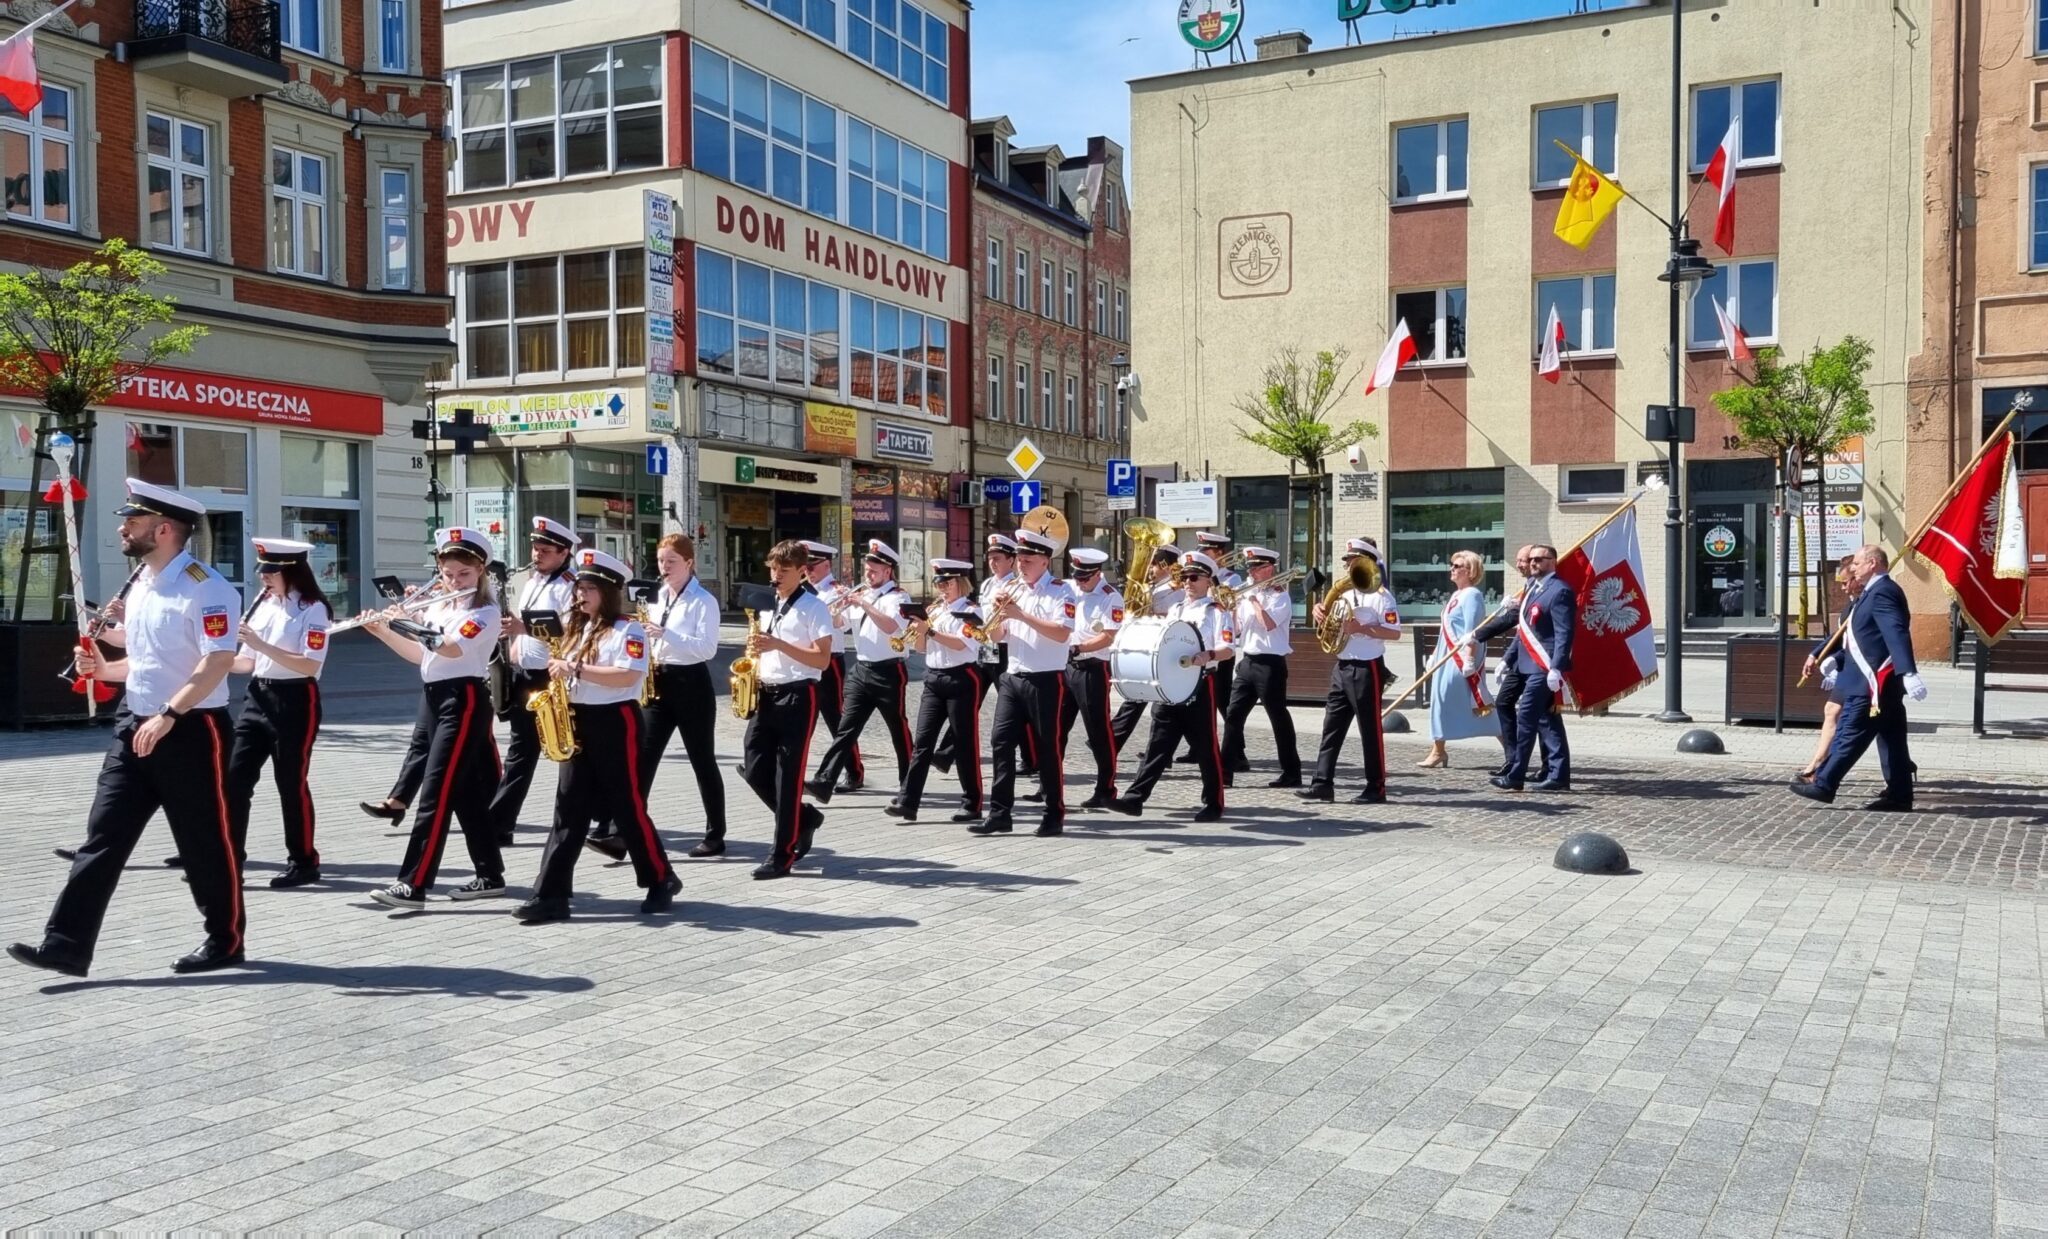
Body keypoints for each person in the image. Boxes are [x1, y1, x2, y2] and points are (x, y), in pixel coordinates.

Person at [9, 480, 247, 977]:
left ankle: (224, 940)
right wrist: (99, 668)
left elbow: (218, 660)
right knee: (103, 837)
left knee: (203, 841)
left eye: (132, 521)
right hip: (133, 724)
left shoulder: (207, 587)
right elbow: (142, 661)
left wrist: (170, 715)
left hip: (191, 729)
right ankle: (66, 946)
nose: (123, 527)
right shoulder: (140, 582)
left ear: (163, 530)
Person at [515, 549, 681, 923]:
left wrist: (574, 666)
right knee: (567, 809)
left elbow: (626, 676)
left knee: (627, 806)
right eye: (579, 589)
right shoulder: (575, 626)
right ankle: (550, 895)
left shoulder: (629, 628)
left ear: (607, 591)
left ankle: (660, 878)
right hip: (577, 720)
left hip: (615, 721)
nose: (580, 595)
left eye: (588, 589)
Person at [357, 528, 508, 906]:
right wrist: (381, 631)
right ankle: (490, 874)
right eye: (448, 573)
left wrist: (406, 622)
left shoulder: (485, 612)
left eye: (464, 575)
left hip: (465, 700)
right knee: (466, 795)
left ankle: (413, 883)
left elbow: (453, 649)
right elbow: (421, 656)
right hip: (433, 698)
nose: (455, 581)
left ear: (481, 573)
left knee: (436, 793)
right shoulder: (440, 608)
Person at [589, 533, 727, 861]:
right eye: (661, 561)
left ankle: (715, 835)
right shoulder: (656, 596)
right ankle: (624, 833)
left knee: (702, 761)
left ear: (689, 563)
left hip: (691, 683)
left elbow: (707, 648)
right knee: (641, 760)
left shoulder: (702, 600)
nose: (664, 567)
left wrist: (667, 634)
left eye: (672, 562)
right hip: (658, 682)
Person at [225, 537, 332, 887]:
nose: (264, 579)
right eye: (263, 572)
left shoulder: (314, 608)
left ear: (292, 571)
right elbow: (247, 662)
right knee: (234, 780)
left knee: (291, 783)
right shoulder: (264, 605)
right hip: (258, 697)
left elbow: (309, 664)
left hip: (295, 700)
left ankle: (303, 861)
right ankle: (230, 859)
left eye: (271, 573)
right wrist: (216, 656)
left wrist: (260, 643)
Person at [1792, 545, 1923, 810]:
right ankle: (1900, 794)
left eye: (1858, 564)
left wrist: (1908, 671)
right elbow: (1858, 635)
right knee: (1892, 739)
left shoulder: (1883, 591)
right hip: (1877, 683)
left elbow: (1895, 632)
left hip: (1872, 684)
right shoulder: (1871, 593)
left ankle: (1824, 784)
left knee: (1850, 733)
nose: (1854, 569)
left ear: (1873, 563)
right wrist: (1832, 659)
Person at [1109, 551, 1233, 822]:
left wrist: (1208, 655)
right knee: (1157, 744)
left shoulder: (1216, 611)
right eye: (1185, 577)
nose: (1187, 582)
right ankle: (1134, 798)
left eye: (1194, 577)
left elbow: (1228, 649)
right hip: (1169, 684)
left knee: (1205, 747)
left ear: (1208, 581)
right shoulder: (1176, 609)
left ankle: (1213, 802)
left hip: (1199, 685)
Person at [741, 540, 838, 878]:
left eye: (784, 570)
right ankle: (805, 817)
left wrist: (779, 644)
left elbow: (822, 659)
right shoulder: (768, 605)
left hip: (799, 696)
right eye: (773, 568)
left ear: (801, 571)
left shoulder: (815, 607)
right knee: (753, 769)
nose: (776, 575)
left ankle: (781, 855)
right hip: (765, 695)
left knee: (787, 779)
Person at [972, 528, 1074, 838]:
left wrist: (1021, 614)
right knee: (1000, 743)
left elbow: (1061, 633)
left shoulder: (1060, 591)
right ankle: (1000, 813)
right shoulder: (1013, 589)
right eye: (1019, 559)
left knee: (1047, 748)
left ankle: (1054, 813)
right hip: (1012, 676)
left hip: (1045, 679)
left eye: (1027, 560)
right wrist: (997, 616)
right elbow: (996, 636)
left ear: (1045, 561)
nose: (1021, 565)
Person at [488, 517, 579, 847]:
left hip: (551, 678)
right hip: (526, 675)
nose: (536, 554)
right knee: (520, 751)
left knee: (563, 751)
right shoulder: (532, 580)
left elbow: (570, 632)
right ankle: (500, 823)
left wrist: (522, 631)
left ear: (563, 552)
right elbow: (524, 622)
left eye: (544, 550)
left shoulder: (571, 585)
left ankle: (594, 819)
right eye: (534, 548)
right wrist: (514, 647)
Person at [1300, 539, 1403, 804]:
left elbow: (1394, 632)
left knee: (1370, 730)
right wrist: (1320, 612)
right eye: (1346, 561)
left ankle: (1376, 787)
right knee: (1331, 727)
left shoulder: (1382, 596)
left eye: (1351, 561)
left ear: (1367, 561)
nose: (1346, 565)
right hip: (1343, 665)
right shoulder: (1345, 594)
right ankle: (1322, 783)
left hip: (1367, 666)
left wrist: (1361, 629)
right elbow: (1331, 629)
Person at [807, 539, 912, 802]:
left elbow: (891, 627)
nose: (868, 573)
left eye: (874, 569)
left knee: (897, 729)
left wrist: (863, 604)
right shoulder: (863, 594)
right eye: (867, 569)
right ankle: (824, 781)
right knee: (846, 728)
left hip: (889, 672)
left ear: (888, 571)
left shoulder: (898, 597)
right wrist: (833, 608)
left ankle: (909, 783)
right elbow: (839, 624)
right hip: (862, 670)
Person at [1466, 542, 1575, 792]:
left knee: (1527, 716)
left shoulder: (1559, 591)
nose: (1534, 563)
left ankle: (1516, 775)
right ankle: (1557, 775)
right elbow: (1524, 632)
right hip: (1529, 665)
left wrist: (1557, 667)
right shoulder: (1534, 589)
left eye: (1540, 559)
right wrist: (1507, 659)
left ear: (1553, 561)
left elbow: (1564, 633)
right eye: (1532, 559)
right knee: (1548, 719)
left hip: (1544, 667)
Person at [887, 559, 986, 823]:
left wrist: (929, 630)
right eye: (939, 583)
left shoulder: (971, 611)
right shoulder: (934, 609)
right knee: (923, 743)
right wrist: (918, 628)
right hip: (934, 678)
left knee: (965, 744)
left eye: (947, 582)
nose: (942, 587)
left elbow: (962, 645)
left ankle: (972, 803)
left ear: (961, 583)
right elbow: (920, 648)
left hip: (961, 678)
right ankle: (908, 801)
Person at [1221, 546, 1301, 788]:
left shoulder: (1280, 595)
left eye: (1257, 567)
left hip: (1270, 664)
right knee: (1233, 716)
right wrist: (1232, 608)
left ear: (1270, 568)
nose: (1252, 572)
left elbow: (1267, 623)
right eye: (1250, 568)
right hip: (1247, 661)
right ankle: (1224, 773)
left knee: (1278, 718)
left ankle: (1291, 772)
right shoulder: (1245, 595)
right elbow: (1236, 630)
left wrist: (1253, 599)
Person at [1058, 546, 1124, 809]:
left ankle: (1105, 788)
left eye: (1084, 577)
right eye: (1076, 576)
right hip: (1067, 667)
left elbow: (1108, 635)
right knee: (1056, 728)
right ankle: (1048, 784)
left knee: (1098, 731)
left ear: (1097, 574)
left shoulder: (1110, 597)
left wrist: (1078, 647)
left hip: (1092, 667)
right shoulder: (1072, 589)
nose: (1079, 582)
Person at [1421, 550, 1499, 769]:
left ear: (1470, 571)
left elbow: (1472, 630)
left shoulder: (1472, 595)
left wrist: (1470, 660)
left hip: (1461, 658)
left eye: (1457, 566)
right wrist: (1435, 656)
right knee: (1440, 700)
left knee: (1473, 699)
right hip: (1445, 657)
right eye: (1452, 565)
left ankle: (1509, 743)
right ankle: (1438, 751)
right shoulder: (1455, 595)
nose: (1452, 569)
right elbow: (1446, 630)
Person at [801, 541, 864, 794]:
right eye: (806, 566)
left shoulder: (838, 591)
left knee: (836, 718)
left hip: (830, 661)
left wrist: (831, 614)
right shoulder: (801, 590)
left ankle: (854, 771)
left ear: (826, 564)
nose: (808, 571)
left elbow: (844, 625)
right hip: (805, 658)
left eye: (813, 566)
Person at [1111, 544, 1184, 751]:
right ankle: (1113, 740)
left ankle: (1114, 741)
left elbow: (1172, 621)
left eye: (1154, 564)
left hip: (1163, 650)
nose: (1150, 568)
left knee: (1155, 704)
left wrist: (1148, 612)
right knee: (1138, 697)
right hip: (1149, 647)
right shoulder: (1154, 586)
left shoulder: (1176, 590)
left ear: (1166, 565)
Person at [1184, 532, 1242, 769]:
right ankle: (1197, 748)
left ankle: (1236, 751)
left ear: (1219, 553)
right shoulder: (1192, 578)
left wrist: (1215, 584)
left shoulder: (1232, 578)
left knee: (1222, 700)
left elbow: (1230, 610)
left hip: (1219, 648)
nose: (1201, 555)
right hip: (1199, 650)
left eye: (1206, 552)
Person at [1796, 560, 1857, 784]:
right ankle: (1818, 763)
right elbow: (1837, 637)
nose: (1841, 587)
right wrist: (1816, 655)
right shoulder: (1851, 606)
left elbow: (1860, 644)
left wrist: (1835, 661)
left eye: (1844, 582)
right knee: (1831, 710)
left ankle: (1900, 770)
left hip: (1865, 674)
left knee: (1881, 729)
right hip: (1849, 669)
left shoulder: (1865, 603)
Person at [1488, 545, 1541, 779]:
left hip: (1538, 661)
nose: (1519, 564)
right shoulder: (1529, 587)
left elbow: (1517, 623)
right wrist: (1508, 658)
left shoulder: (1542, 587)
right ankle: (1512, 759)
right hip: (1521, 658)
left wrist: (1477, 636)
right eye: (1517, 560)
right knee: (1503, 702)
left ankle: (1550, 768)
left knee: (1544, 717)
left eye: (1523, 560)